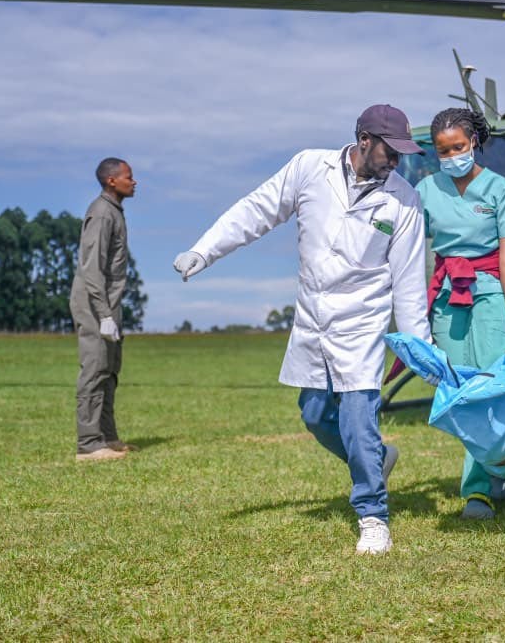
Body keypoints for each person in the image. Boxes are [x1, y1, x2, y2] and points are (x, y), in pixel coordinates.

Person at [172, 104, 430, 555]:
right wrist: (204, 251)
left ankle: (372, 515)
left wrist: (417, 348)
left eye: (402, 154)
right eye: (391, 151)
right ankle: (378, 460)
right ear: (364, 140)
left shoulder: (404, 198)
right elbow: (256, 210)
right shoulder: (310, 167)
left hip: (362, 321)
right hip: (313, 318)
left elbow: (408, 280)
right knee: (313, 415)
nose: (397, 161)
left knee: (358, 417)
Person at [415, 108, 505, 520]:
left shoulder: (501, 190)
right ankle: (495, 467)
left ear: (474, 142)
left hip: (492, 292)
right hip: (448, 295)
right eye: (444, 150)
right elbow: (410, 251)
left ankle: (477, 490)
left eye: (459, 147)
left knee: (489, 389)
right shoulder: (426, 190)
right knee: (460, 393)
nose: (452, 156)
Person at [71, 158, 138, 461]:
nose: (134, 181)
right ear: (112, 180)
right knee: (95, 369)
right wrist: (104, 314)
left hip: (109, 304)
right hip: (94, 304)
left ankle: (107, 437)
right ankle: (88, 444)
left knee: (110, 371)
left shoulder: (114, 212)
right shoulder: (100, 213)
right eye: (129, 177)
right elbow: (91, 268)